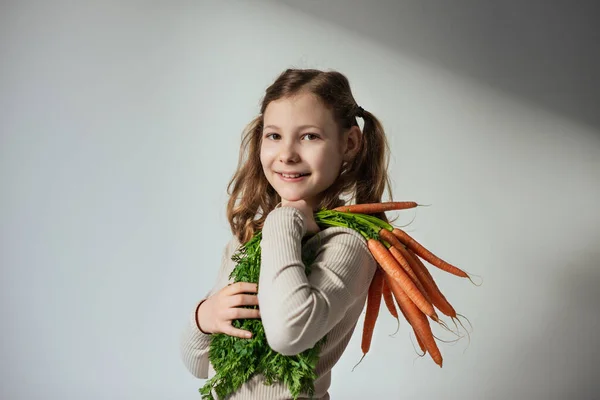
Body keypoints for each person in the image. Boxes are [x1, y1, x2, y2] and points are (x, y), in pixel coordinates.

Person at [180, 68, 393, 399]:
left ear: (349, 143)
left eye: (309, 136)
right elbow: (202, 365)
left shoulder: (346, 245)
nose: (287, 154)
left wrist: (286, 218)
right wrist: (202, 317)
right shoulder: (249, 237)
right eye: (274, 135)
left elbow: (288, 333)